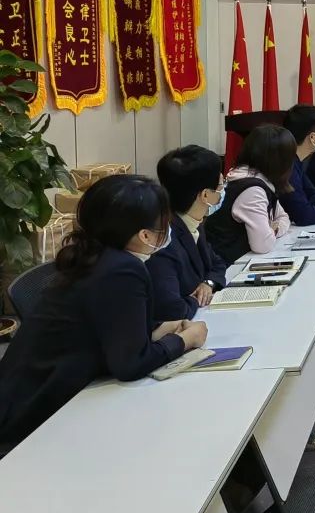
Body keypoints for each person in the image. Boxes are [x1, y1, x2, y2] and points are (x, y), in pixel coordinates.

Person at [0, 175, 207, 450]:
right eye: (163, 226)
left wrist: (157, 330)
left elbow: (104, 326)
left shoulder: (95, 256)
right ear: (144, 235)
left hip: (26, 392)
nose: (167, 233)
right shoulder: (123, 269)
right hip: (38, 416)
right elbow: (130, 364)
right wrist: (186, 340)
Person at [147, 145, 230, 321]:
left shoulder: (193, 222)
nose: (224, 190)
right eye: (221, 185)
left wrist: (208, 284)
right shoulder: (163, 241)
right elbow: (172, 309)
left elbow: (217, 264)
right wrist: (196, 300)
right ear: (205, 195)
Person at [204, 124, 295, 264]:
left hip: (242, 260)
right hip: (228, 267)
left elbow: (283, 217)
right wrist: (274, 230)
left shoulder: (258, 180)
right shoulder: (252, 190)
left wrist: (272, 229)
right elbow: (262, 245)